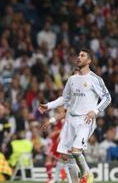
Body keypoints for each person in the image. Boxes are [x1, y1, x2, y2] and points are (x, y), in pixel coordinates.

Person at [39, 48, 111, 183]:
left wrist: (95, 111)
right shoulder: (72, 79)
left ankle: (86, 174)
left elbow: (107, 98)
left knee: (76, 151)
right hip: (70, 120)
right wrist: (48, 106)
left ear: (89, 60)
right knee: (68, 157)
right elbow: (64, 99)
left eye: (82, 55)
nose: (79, 57)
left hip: (85, 120)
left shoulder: (95, 79)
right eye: (78, 55)